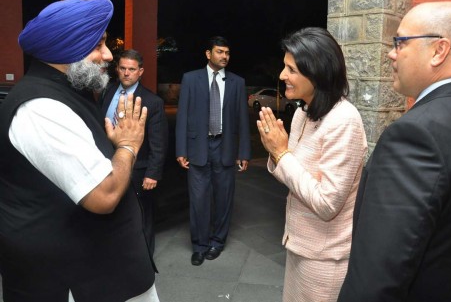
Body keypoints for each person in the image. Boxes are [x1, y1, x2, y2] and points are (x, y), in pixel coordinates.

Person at [338, 1, 451, 302]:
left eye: (399, 42)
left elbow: (376, 277)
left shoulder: (414, 135)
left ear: (439, 51)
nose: (391, 53)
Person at [0, 0, 159, 302]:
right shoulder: (40, 108)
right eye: (98, 45)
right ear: (66, 49)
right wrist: (128, 145)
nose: (108, 55)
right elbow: (104, 196)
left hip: (101, 272)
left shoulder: (66, 91)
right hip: (73, 282)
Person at [257, 27, 367, 301]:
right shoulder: (302, 114)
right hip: (299, 245)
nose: (283, 76)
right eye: (285, 67)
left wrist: (281, 154)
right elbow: (291, 175)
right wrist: (275, 152)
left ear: (317, 72)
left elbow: (327, 204)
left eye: (291, 69)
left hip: (325, 258)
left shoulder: (344, 121)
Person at [176, 36, 251, 266]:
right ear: (208, 54)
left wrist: (244, 152)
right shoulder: (190, 79)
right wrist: (181, 149)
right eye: (220, 52)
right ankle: (199, 245)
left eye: (227, 52)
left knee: (223, 198)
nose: (224, 56)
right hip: (198, 146)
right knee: (198, 199)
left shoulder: (237, 82)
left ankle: (217, 242)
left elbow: (242, 120)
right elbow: (182, 115)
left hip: (225, 147)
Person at [100, 49, 168, 256]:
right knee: (111, 213)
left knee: (141, 216)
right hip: (106, 166)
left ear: (140, 72)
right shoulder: (107, 92)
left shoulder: (152, 102)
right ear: (117, 69)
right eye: (122, 68)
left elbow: (159, 142)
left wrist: (152, 173)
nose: (126, 73)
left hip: (137, 170)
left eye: (131, 69)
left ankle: (144, 258)